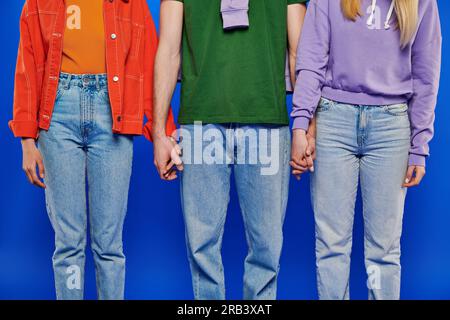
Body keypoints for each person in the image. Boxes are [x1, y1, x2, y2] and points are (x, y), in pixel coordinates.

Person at [9, 0, 175, 300]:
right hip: (57, 117)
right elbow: (28, 65)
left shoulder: (131, 5)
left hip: (115, 115)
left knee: (109, 244)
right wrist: (26, 139)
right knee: (69, 241)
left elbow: (149, 63)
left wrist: (163, 133)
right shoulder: (38, 3)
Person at [152, 0, 307, 299]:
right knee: (201, 245)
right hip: (200, 121)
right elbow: (169, 50)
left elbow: (299, 52)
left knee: (267, 245)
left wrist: (304, 127)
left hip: (266, 120)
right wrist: (159, 132)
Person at [291, 0, 441, 300]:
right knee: (331, 244)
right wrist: (300, 124)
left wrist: (419, 146)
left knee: (383, 249)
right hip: (333, 121)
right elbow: (311, 60)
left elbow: (426, 75)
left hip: (391, 128)